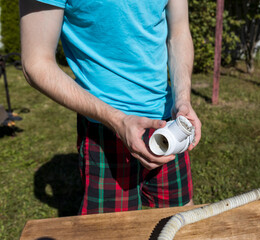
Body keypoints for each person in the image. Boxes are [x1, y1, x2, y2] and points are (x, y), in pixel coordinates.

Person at [20, 0, 201, 214]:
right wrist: (118, 121)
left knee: (178, 221)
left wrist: (182, 100)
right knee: (113, 232)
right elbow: (36, 63)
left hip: (167, 121)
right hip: (106, 129)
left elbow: (178, 32)